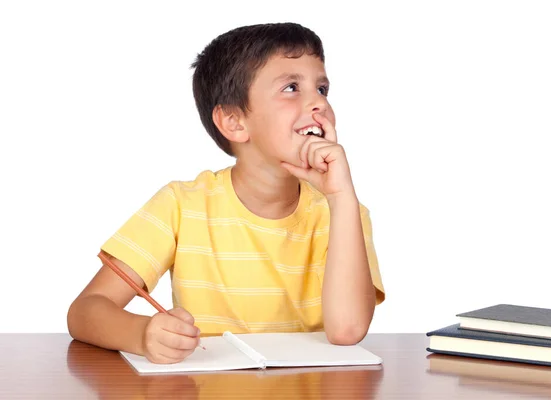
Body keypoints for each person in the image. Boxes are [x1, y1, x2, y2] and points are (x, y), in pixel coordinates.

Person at [67, 22, 385, 364]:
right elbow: (85, 311)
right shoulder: (181, 205)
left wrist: (341, 198)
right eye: (292, 87)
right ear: (234, 122)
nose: (318, 103)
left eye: (322, 88)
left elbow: (348, 331)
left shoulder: (344, 211)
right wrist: (142, 335)